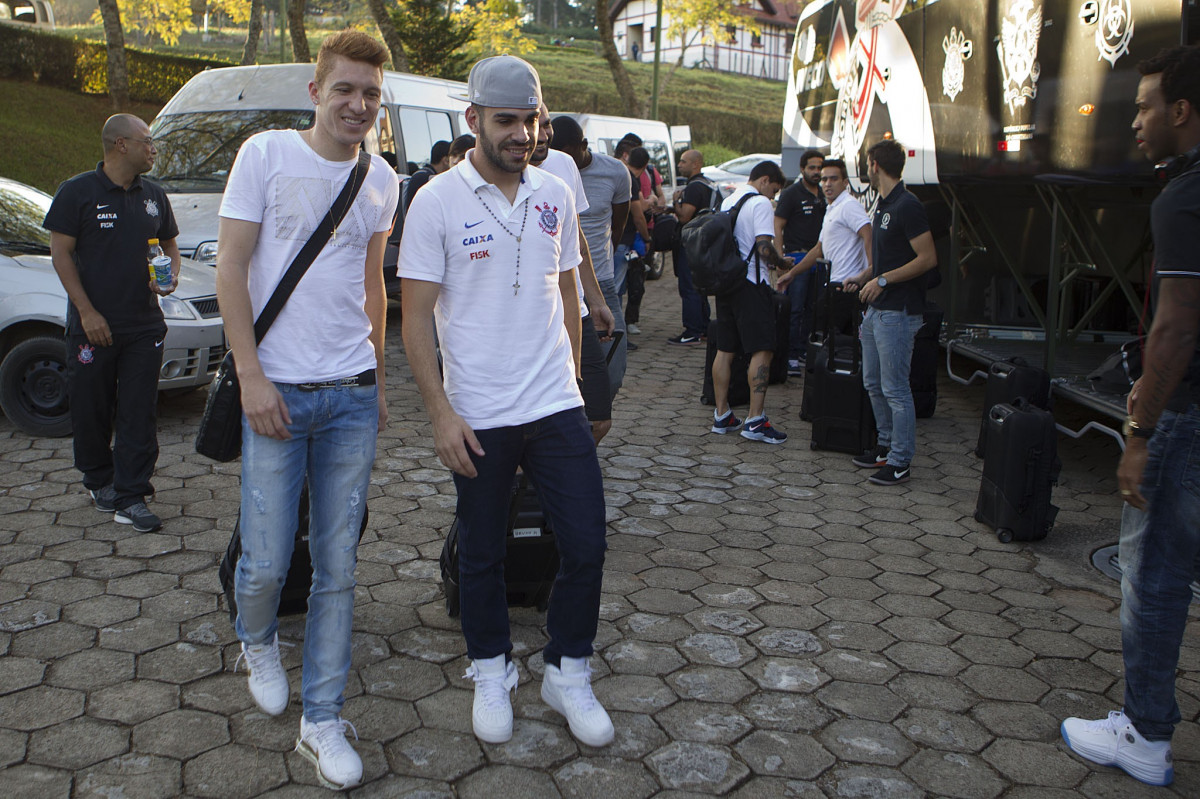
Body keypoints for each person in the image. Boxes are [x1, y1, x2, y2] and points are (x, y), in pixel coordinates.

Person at [400, 56, 614, 749]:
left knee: (585, 543)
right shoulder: (436, 201)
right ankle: (490, 668)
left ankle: (567, 669)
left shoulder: (554, 191)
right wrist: (440, 413)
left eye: (532, 119)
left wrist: (576, 382)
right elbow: (414, 316)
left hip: (554, 404)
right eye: (507, 121)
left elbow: (568, 292)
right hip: (481, 412)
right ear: (473, 121)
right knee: (483, 553)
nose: (523, 133)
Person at [215, 30, 400, 790]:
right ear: (316, 91)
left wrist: (379, 380)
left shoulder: (384, 178)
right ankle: (254, 636)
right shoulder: (265, 155)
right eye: (346, 89)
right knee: (262, 559)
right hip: (278, 392)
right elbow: (229, 267)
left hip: (351, 394)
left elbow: (373, 287)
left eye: (370, 95)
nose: (358, 105)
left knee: (339, 564)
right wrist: (250, 374)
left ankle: (320, 719)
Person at [1061, 44, 1200, 788]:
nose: (1137, 122)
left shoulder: (1181, 197)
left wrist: (1140, 431)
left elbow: (1176, 327)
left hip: (1183, 414)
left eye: (1146, 106)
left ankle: (1144, 732)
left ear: (1181, 111)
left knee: (1153, 574)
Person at [43, 114, 180, 533]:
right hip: (93, 326)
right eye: (147, 141)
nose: (153, 148)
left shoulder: (153, 195)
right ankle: (99, 479)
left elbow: (170, 242)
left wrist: (169, 275)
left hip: (143, 326)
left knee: (140, 411)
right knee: (91, 409)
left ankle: (131, 494)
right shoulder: (77, 192)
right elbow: (61, 254)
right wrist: (86, 311)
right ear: (121, 145)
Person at [847, 139, 937, 483]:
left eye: (866, 164)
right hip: (877, 311)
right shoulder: (884, 204)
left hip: (897, 312)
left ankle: (900, 460)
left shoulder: (907, 205)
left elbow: (927, 259)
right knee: (873, 383)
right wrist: (864, 276)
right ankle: (884, 447)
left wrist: (882, 280)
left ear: (874, 165)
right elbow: (891, 257)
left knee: (895, 388)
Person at [530, 105, 617, 444]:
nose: (542, 134)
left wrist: (596, 301)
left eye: (546, 124)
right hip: (532, 322)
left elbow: (575, 239)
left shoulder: (564, 166)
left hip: (574, 311)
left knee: (598, 418)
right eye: (534, 123)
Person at [551, 116, 632, 401]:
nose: (563, 159)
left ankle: (594, 413)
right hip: (560, 283)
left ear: (583, 145)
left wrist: (605, 261)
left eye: (568, 152)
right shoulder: (549, 169)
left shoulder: (615, 172)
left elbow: (619, 223)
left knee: (614, 365)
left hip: (602, 281)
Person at [710, 161, 792, 444]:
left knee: (725, 348)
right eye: (774, 190)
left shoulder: (729, 199)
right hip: (751, 284)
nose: (773, 197)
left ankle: (722, 414)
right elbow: (763, 247)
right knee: (763, 348)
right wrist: (781, 263)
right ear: (765, 180)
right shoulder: (759, 204)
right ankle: (755, 419)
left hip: (726, 283)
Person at [777, 158, 871, 337]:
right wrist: (792, 273)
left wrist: (869, 273)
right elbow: (819, 249)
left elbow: (868, 234)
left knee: (833, 344)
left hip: (847, 286)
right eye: (824, 179)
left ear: (845, 182)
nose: (827, 184)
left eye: (833, 179)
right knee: (822, 337)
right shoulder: (832, 208)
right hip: (833, 284)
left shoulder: (848, 205)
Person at [773, 149, 825, 374]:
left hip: (821, 258)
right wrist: (779, 258)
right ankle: (791, 355)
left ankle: (804, 350)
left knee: (814, 309)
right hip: (797, 256)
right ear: (802, 169)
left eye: (819, 168)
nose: (816, 172)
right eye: (812, 167)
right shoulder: (792, 193)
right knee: (794, 308)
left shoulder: (825, 193)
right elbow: (777, 225)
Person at [668, 148, 717, 346]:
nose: (679, 165)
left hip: (690, 244)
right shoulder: (707, 184)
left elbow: (685, 216)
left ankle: (692, 330)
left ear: (696, 164)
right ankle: (704, 327)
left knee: (689, 288)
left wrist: (675, 201)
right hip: (703, 243)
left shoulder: (695, 187)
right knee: (699, 286)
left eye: (683, 162)